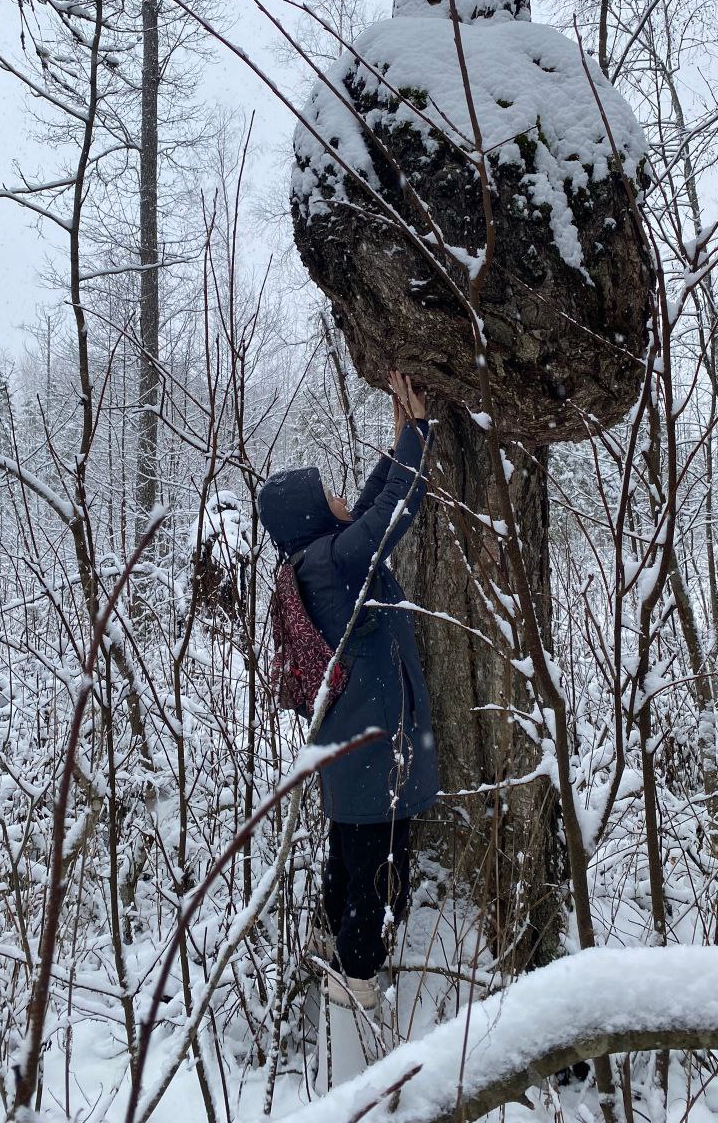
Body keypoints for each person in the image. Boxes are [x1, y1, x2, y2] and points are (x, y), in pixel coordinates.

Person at [257, 372, 439, 1092]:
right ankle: (355, 1020)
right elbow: (389, 516)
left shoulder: (321, 559)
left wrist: (401, 439)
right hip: (367, 761)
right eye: (324, 493)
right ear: (309, 517)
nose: (339, 496)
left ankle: (343, 964)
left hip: (354, 761)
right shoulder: (336, 562)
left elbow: (371, 505)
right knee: (367, 877)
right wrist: (419, 434)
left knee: (352, 867)